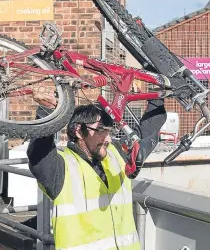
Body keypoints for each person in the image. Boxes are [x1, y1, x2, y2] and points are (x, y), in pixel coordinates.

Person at [27, 91, 167, 250]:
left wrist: (157, 91)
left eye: (109, 131)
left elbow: (148, 129)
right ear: (79, 131)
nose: (107, 138)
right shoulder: (61, 168)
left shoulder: (115, 155)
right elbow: (38, 154)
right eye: (101, 131)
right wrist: (47, 112)